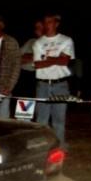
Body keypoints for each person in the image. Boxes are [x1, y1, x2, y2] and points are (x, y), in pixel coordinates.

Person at [33, 12, 75, 148]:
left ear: (56, 24)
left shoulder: (66, 40)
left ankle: (60, 147)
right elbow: (38, 64)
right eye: (45, 22)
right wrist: (57, 58)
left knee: (59, 120)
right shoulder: (38, 43)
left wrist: (47, 58)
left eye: (50, 22)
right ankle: (43, 148)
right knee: (42, 120)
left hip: (60, 84)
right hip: (43, 85)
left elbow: (65, 61)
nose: (47, 25)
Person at [16, 19, 43, 97]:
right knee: (22, 102)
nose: (37, 29)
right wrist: (30, 57)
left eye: (39, 26)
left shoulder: (47, 42)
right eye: (36, 27)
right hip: (23, 74)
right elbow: (17, 56)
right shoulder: (31, 41)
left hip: (36, 76)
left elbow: (40, 59)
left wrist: (28, 56)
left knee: (34, 101)